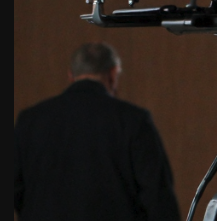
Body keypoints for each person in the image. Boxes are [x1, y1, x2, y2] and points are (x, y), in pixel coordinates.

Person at [14, 42, 181, 221]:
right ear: (113, 74)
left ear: (71, 75)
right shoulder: (134, 120)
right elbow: (157, 196)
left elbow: (16, 188)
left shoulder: (29, 120)